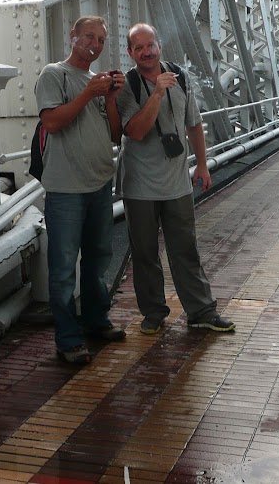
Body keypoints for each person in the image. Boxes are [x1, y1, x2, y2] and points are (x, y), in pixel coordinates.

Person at [116, 23, 235, 335]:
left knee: (185, 248)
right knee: (144, 253)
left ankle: (201, 311)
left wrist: (203, 166)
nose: (146, 51)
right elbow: (136, 131)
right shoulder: (127, 84)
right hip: (140, 184)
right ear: (131, 53)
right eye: (138, 47)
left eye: (150, 44)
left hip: (177, 182)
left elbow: (193, 123)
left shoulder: (180, 75)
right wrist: (156, 91)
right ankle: (153, 313)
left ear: (159, 45)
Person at [34, 15, 127, 365]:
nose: (95, 44)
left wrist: (112, 98)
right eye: (89, 36)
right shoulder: (53, 74)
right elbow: (53, 123)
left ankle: (95, 321)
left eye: (101, 39)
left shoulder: (96, 83)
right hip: (65, 189)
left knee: (98, 260)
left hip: (99, 183)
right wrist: (90, 93)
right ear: (72, 35)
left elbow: (115, 134)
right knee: (62, 268)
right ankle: (68, 338)